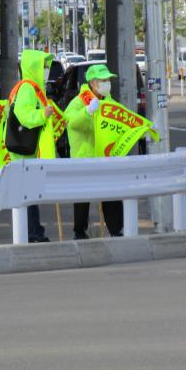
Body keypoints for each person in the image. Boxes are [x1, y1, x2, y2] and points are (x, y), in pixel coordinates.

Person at [64, 64, 124, 239]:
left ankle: (116, 229)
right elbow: (71, 121)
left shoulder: (110, 102)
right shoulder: (79, 101)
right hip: (85, 157)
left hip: (105, 157)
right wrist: (88, 111)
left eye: (108, 80)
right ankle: (79, 231)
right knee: (82, 197)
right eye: (103, 81)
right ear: (92, 83)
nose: (107, 84)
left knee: (112, 193)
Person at [8, 49, 56, 242]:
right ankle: (33, 232)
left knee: (28, 194)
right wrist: (42, 115)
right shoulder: (28, 88)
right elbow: (24, 115)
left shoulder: (32, 87)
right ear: (33, 66)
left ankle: (33, 231)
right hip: (23, 150)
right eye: (43, 65)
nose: (46, 69)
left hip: (25, 149)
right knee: (28, 195)